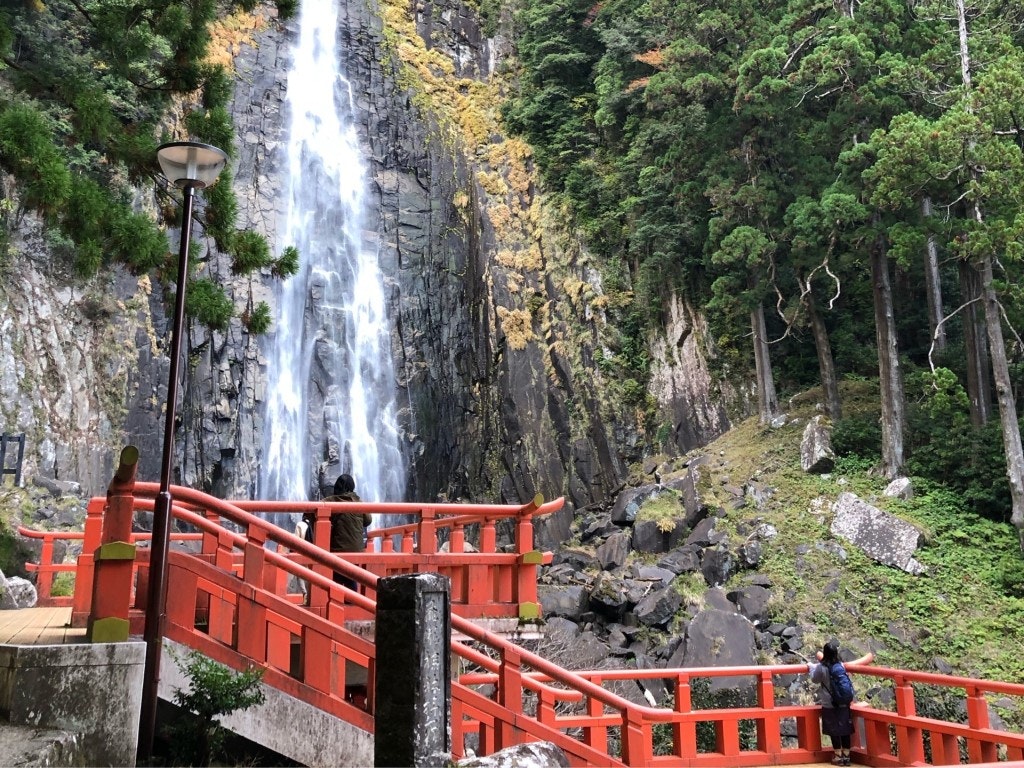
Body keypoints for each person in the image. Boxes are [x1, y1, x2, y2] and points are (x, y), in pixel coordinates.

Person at [809, 640, 872, 766]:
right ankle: (847, 756)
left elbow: (814, 679)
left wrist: (811, 667)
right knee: (844, 729)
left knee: (834, 730)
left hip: (829, 703)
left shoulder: (822, 668)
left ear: (825, 654)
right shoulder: (841, 666)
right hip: (843, 703)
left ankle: (838, 756)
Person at [323, 474, 370, 589]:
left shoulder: (330, 501)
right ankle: (352, 601)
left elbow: (312, 513)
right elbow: (368, 521)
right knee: (350, 575)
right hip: (357, 551)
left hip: (337, 550)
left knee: (337, 576)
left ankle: (336, 601)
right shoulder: (359, 502)